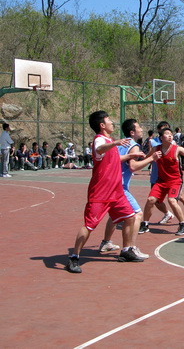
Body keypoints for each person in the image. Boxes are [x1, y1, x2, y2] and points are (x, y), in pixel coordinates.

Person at [65, 110, 145, 273]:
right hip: (101, 193)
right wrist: (116, 143)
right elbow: (100, 149)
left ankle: (126, 251)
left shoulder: (109, 140)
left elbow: (114, 159)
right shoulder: (99, 139)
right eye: (109, 120)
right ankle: (74, 257)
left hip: (116, 192)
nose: (112, 123)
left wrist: (132, 155)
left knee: (130, 217)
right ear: (102, 125)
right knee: (89, 225)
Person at [98, 118, 160, 258]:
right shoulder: (133, 145)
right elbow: (133, 167)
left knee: (115, 215)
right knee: (137, 214)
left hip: (110, 183)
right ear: (132, 132)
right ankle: (130, 248)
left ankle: (106, 242)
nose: (141, 129)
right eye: (139, 127)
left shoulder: (120, 143)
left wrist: (150, 155)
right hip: (120, 186)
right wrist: (152, 159)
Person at [138, 127, 184, 236]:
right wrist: (139, 157)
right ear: (161, 138)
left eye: (171, 134)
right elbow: (146, 159)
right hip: (161, 181)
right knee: (150, 200)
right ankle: (145, 224)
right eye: (167, 134)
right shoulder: (156, 149)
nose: (170, 136)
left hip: (174, 181)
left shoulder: (177, 149)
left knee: (172, 200)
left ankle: (183, 225)